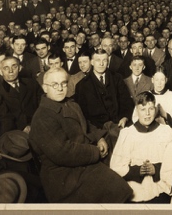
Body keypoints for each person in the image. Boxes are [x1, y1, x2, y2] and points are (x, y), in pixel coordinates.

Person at [29, 67, 132, 203]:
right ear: (45, 88)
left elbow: (86, 125)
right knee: (118, 190)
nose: (60, 88)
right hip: (64, 176)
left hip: (81, 163)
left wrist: (99, 137)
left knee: (122, 183)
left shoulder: (71, 104)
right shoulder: (43, 116)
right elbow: (63, 152)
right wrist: (95, 152)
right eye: (55, 84)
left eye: (64, 83)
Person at [110, 91, 172, 203]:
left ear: (155, 110)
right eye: (143, 109)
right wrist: (137, 171)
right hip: (135, 191)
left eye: (150, 109)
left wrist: (156, 169)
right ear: (136, 111)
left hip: (161, 189)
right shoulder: (128, 133)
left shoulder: (166, 131)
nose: (147, 114)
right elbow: (116, 166)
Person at [75, 49, 134, 148]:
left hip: (119, 124)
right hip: (98, 131)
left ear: (108, 61)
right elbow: (83, 115)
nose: (101, 64)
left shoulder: (117, 78)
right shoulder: (82, 85)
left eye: (104, 60)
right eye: (98, 60)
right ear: (92, 62)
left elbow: (126, 102)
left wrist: (125, 117)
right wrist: (97, 134)